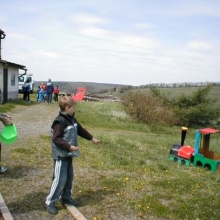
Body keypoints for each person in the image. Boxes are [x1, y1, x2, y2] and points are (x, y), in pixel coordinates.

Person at [45, 96, 100, 215]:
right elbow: (56, 139)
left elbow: (80, 130)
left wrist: (91, 138)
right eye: (73, 108)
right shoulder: (59, 122)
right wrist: (68, 147)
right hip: (60, 156)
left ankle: (66, 197)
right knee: (60, 179)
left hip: (68, 155)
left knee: (69, 178)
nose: (75, 110)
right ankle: (50, 201)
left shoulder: (71, 119)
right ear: (67, 107)